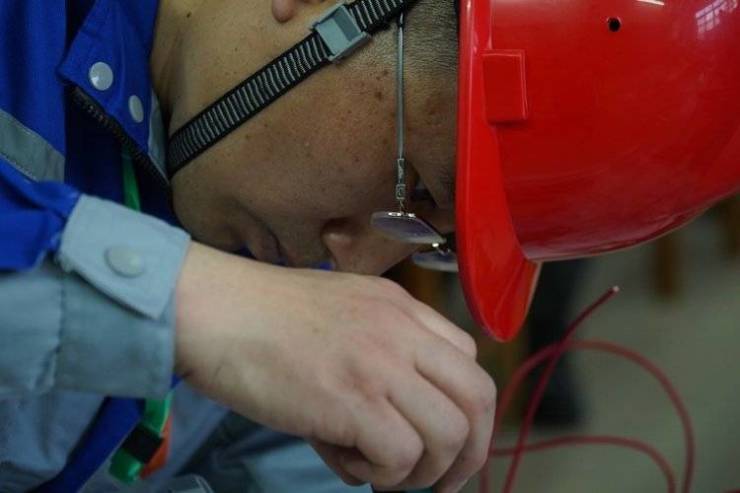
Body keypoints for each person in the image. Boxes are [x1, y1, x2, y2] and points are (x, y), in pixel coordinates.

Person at [0, 0, 495, 492]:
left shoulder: (257, 232)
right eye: (415, 186)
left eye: (437, 242)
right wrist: (185, 304)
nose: (355, 267)